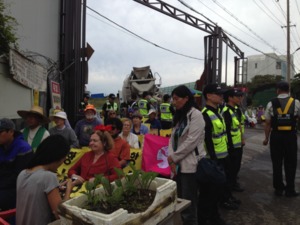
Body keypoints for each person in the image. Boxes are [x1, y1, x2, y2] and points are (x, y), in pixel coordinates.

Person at [167, 85, 206, 225]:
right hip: (177, 165)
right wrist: (171, 158)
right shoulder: (179, 116)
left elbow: (191, 142)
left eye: (176, 99)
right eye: (173, 99)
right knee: (178, 199)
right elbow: (172, 138)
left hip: (190, 165)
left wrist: (173, 158)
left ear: (186, 98)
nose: (174, 101)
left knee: (189, 203)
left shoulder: (196, 115)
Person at [200, 84, 239, 224]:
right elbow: (206, 139)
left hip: (223, 156)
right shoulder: (204, 114)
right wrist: (213, 159)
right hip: (213, 160)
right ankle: (206, 218)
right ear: (209, 96)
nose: (221, 96)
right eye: (218, 94)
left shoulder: (217, 112)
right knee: (209, 193)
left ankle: (214, 216)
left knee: (218, 190)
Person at [16, 135, 73, 225]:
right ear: (58, 158)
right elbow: (60, 215)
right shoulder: (48, 177)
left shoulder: (22, 173)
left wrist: (55, 188)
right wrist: (68, 189)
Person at [263, 81, 300, 197]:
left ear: (277, 90)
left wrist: (266, 138)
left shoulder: (271, 103)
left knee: (277, 163)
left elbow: (267, 123)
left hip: (276, 136)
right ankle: (290, 190)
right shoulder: (296, 102)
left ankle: (278, 189)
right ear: (288, 90)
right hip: (290, 136)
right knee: (291, 163)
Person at [0, 118, 33, 211]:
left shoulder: (23, 148)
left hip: (17, 189)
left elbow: (19, 177)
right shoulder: (2, 146)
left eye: (0, 132)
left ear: (11, 132)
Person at [222, 88, 245, 193]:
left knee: (236, 168)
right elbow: (226, 131)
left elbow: (239, 126)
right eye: (237, 96)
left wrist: (242, 139)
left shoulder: (236, 110)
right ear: (230, 98)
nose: (240, 98)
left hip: (238, 144)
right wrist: (230, 147)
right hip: (232, 147)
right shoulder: (226, 111)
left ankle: (233, 185)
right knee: (230, 170)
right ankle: (228, 192)